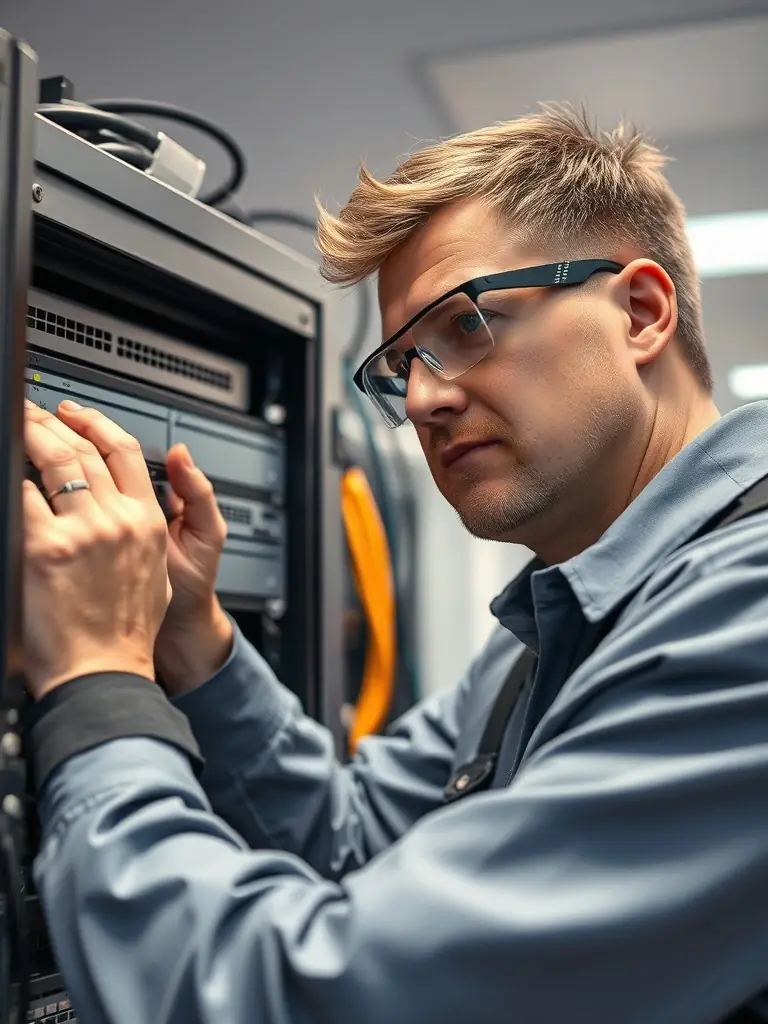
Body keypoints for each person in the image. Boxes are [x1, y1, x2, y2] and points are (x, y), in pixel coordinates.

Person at [24, 106, 768, 1024]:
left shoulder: (745, 617)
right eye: (399, 365)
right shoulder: (551, 627)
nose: (421, 400)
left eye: (465, 325)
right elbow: (352, 839)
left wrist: (95, 677)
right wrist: (191, 634)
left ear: (641, 312)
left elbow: (311, 1001)